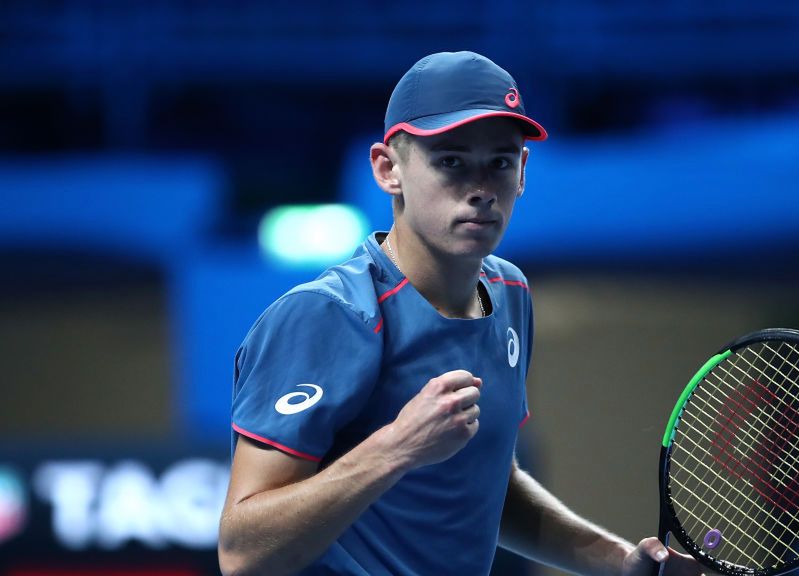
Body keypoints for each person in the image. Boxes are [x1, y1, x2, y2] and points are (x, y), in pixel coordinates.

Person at [218, 51, 707, 576]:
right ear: (388, 169)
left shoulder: (510, 292)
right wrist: (395, 448)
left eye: (500, 162)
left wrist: (620, 562)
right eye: (451, 161)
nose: (481, 190)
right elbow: (242, 553)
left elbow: (487, 486)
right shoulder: (328, 315)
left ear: (523, 172)